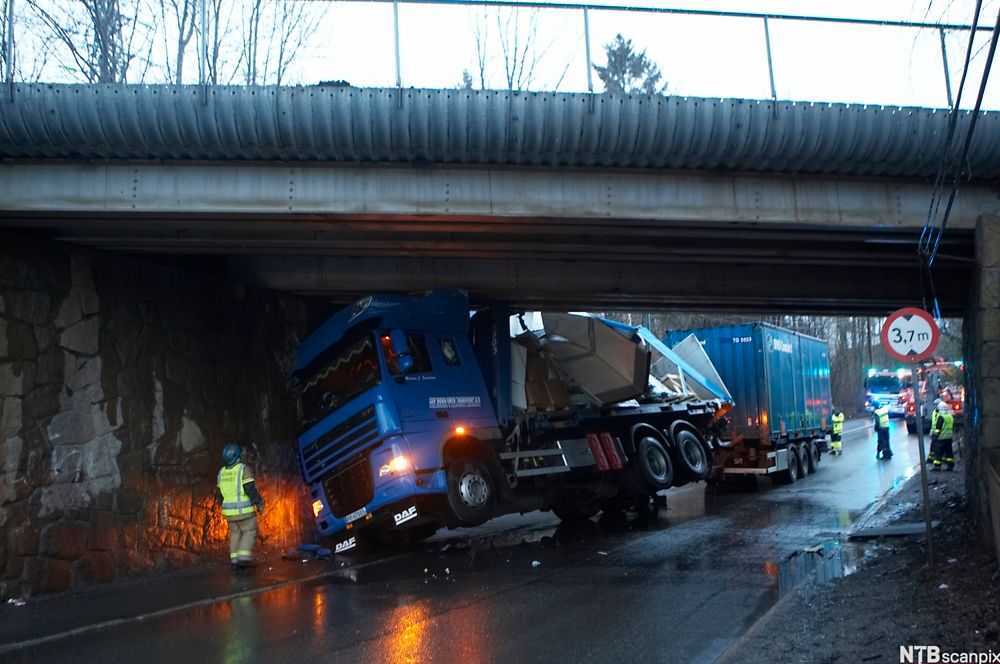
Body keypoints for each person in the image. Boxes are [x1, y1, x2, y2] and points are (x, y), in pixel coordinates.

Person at [215, 444, 265, 567]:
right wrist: (259, 503)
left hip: (229, 513)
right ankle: (243, 557)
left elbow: (219, 494)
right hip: (244, 511)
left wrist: (222, 505)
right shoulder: (244, 470)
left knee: (235, 533)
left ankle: (234, 558)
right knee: (250, 531)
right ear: (237, 456)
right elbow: (250, 490)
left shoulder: (221, 472)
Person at [930, 401, 955, 471]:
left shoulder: (941, 417)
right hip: (949, 437)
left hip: (941, 438)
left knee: (938, 452)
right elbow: (953, 425)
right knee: (949, 452)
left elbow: (938, 429)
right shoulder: (950, 416)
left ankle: (937, 467)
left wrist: (935, 436)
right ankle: (950, 466)